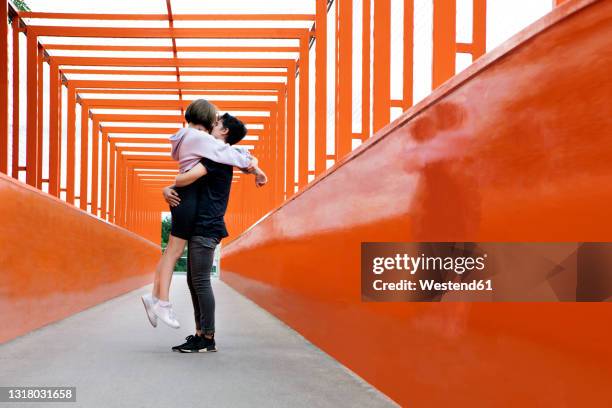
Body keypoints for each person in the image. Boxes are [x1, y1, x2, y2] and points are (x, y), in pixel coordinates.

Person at [141, 100, 267, 329]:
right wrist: (256, 167)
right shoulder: (208, 147)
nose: (214, 124)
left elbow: (187, 173)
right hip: (188, 201)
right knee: (177, 255)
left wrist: (169, 186)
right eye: (214, 119)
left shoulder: (189, 139)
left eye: (217, 122)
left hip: (189, 202)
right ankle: (163, 304)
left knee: (171, 252)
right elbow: (234, 156)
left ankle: (156, 297)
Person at [163, 114, 259, 353]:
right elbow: (247, 160)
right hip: (203, 225)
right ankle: (200, 333)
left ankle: (207, 336)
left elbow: (186, 179)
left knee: (201, 282)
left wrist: (171, 184)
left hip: (207, 226)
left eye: (215, 125)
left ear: (224, 131)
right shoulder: (219, 155)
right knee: (194, 281)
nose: (209, 128)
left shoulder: (215, 157)